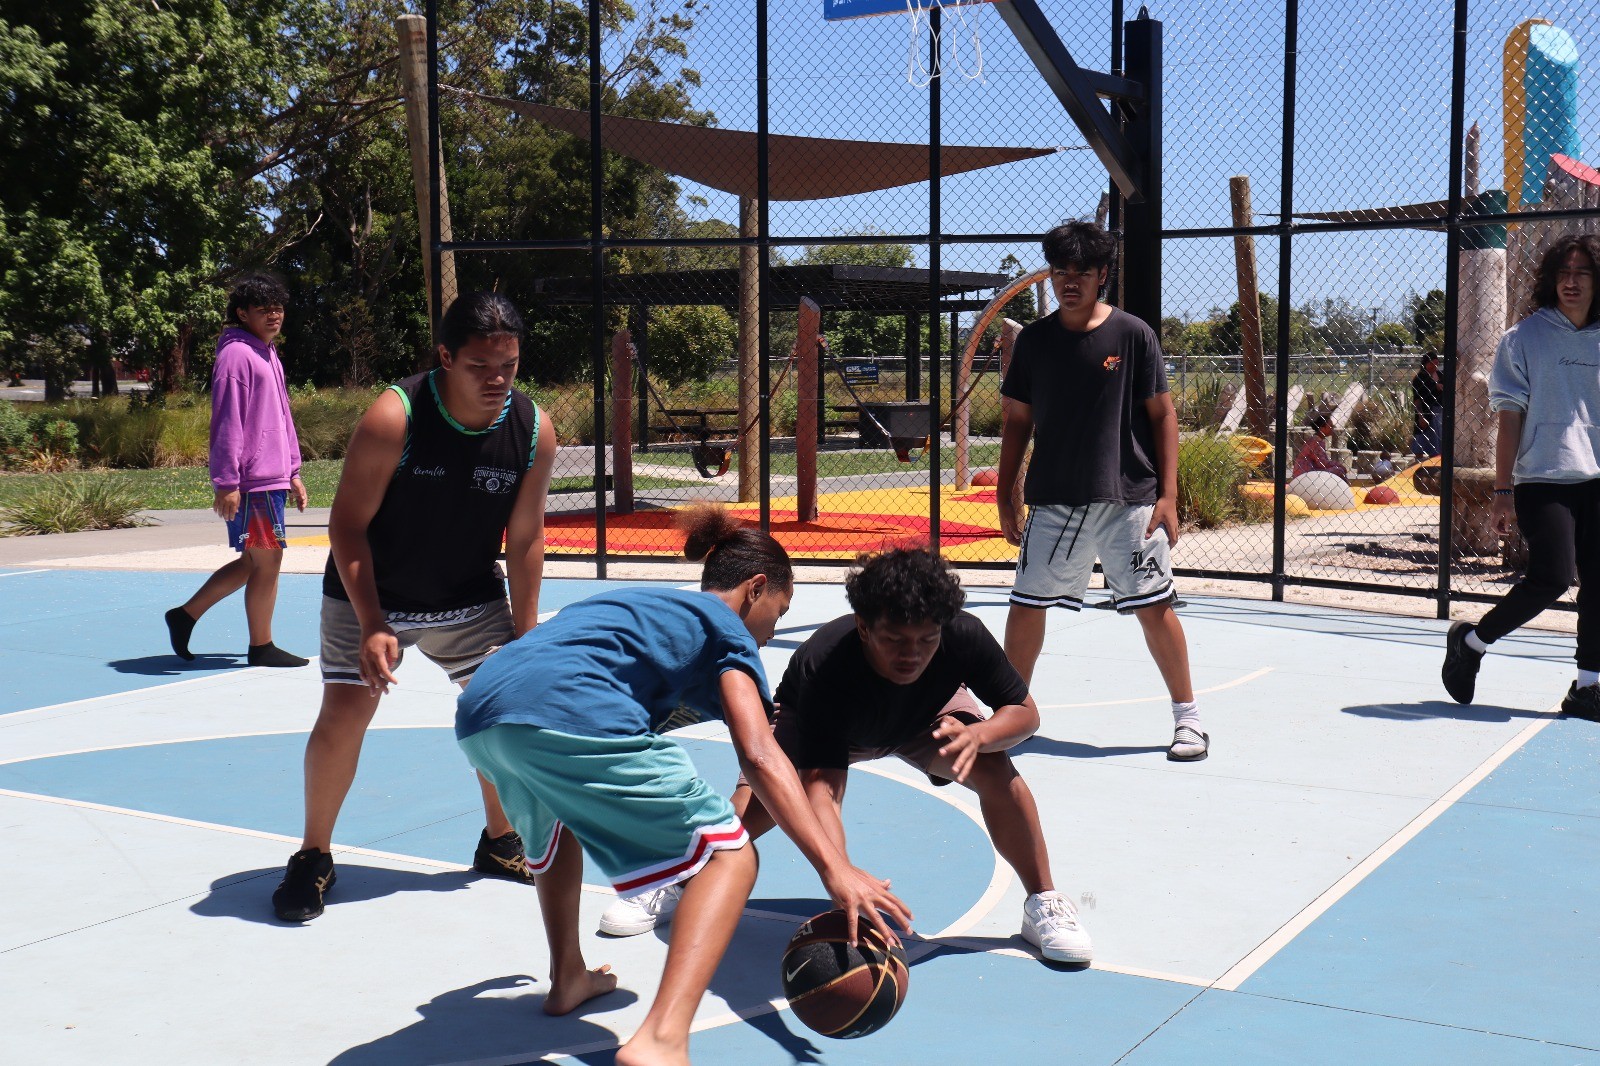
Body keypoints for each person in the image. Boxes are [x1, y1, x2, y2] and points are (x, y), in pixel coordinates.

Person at [456, 506, 911, 1066]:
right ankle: (663, 1038)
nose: (769, 634)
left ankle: (567, 977)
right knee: (729, 857)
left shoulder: (639, 605)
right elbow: (760, 753)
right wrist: (833, 867)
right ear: (756, 588)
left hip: (482, 715)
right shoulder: (726, 631)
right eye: (777, 613)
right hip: (569, 711)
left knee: (555, 832)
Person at [598, 547, 1094, 964]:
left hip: (924, 720)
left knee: (996, 772)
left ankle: (1043, 901)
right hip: (826, 725)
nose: (913, 653)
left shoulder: (962, 633)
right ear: (862, 626)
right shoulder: (826, 661)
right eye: (895, 640)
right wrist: (843, 883)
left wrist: (981, 736)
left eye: (926, 640)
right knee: (754, 809)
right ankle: (679, 875)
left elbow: (1024, 712)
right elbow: (822, 791)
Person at [271, 292, 557, 922]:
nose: (497, 379)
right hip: (374, 591)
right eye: (480, 365)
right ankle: (313, 854)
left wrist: (527, 637)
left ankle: (499, 839)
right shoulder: (393, 417)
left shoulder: (533, 428)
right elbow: (346, 528)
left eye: (508, 364)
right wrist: (373, 623)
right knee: (344, 715)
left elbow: (528, 536)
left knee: (504, 715)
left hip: (470, 596)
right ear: (445, 357)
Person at [995, 220, 1207, 762]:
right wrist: (1005, 490)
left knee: (1155, 607)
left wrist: (1168, 495)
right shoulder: (1035, 343)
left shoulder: (1133, 335)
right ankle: (1008, 714)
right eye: (1060, 271)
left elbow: (1163, 415)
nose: (1070, 281)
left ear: (1102, 276)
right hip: (1054, 501)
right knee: (1025, 608)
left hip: (1129, 502)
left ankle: (1189, 720)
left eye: (1082, 273)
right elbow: (1016, 421)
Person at [1443, 234, 1600, 720]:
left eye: (1582, 273)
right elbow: (1508, 419)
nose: (1571, 282)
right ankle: (1471, 642)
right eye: (1563, 273)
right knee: (1551, 577)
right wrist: (1503, 491)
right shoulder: (1523, 338)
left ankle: (1587, 687)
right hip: (1543, 479)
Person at [165, 273, 308, 668]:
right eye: (263, 309)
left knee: (254, 561)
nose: (274, 315)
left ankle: (185, 615)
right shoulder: (237, 355)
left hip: (272, 476)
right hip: (252, 480)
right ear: (242, 313)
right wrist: (226, 482)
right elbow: (227, 421)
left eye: (278, 308)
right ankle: (260, 646)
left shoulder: (267, 352)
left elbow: (281, 416)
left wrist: (293, 470)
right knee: (267, 561)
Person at [1292, 412, 1349, 479]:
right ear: (1322, 428)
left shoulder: (1316, 440)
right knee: (1339, 471)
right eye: (1330, 426)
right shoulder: (1316, 442)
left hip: (1307, 471)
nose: (1332, 428)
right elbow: (1322, 463)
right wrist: (1338, 465)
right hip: (1306, 472)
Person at [1411, 352, 1444, 459]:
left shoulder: (1441, 375)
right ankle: (1418, 465)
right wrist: (1421, 416)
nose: (1435, 364)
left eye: (1436, 362)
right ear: (1425, 363)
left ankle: (1436, 462)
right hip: (1425, 411)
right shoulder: (1419, 378)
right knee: (1421, 440)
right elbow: (1417, 399)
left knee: (1437, 441)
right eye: (1431, 362)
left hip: (1440, 411)